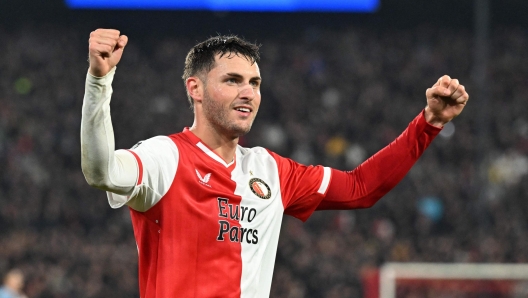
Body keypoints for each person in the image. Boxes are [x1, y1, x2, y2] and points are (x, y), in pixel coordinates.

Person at [80, 29, 469, 297]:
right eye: (232, 80)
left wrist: (428, 124)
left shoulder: (270, 171)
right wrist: (100, 82)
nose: (248, 92)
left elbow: (359, 188)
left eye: (255, 82)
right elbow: (101, 171)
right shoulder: (165, 156)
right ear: (194, 89)